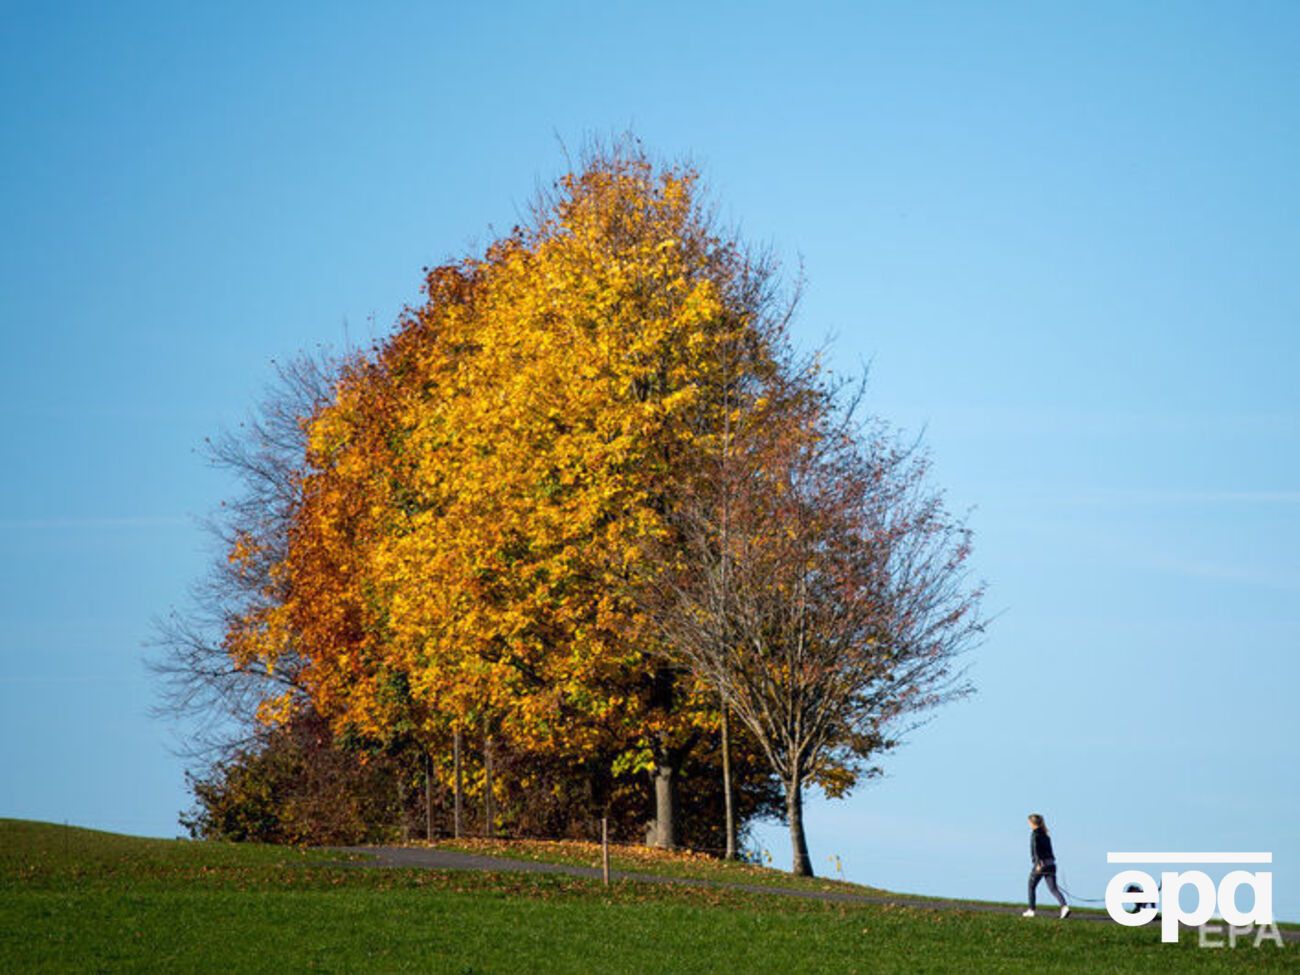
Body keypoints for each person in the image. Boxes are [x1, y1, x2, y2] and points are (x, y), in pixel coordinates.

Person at [1023, 813, 1070, 918]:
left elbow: (1035, 850)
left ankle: (1031, 910)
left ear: (1032, 823)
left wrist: (1037, 863)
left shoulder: (1035, 834)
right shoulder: (1045, 834)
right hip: (1051, 864)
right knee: (1053, 888)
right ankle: (1064, 907)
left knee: (1031, 886)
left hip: (1041, 865)